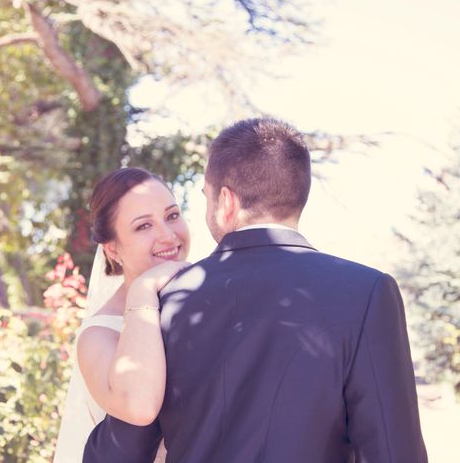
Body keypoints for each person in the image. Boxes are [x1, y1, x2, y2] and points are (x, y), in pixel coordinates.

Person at [83, 118, 428, 462]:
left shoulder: (166, 302)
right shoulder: (367, 291)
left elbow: (118, 454)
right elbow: (394, 452)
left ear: (226, 203)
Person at [54, 168, 191, 463]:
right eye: (143, 226)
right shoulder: (98, 336)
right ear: (112, 249)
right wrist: (144, 288)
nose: (168, 235)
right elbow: (139, 406)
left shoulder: (208, 307)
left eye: (172, 216)